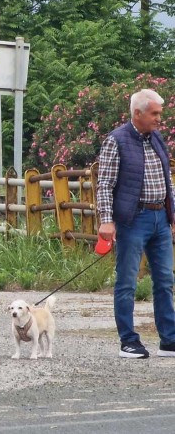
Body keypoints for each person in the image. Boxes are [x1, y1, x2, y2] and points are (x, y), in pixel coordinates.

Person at [96, 88, 175, 359]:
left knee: (165, 279)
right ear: (137, 113)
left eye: (159, 114)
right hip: (133, 219)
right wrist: (106, 221)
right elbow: (104, 184)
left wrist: (171, 215)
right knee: (127, 281)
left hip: (160, 219)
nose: (158, 119)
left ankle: (169, 340)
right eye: (154, 114)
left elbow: (167, 180)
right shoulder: (116, 140)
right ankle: (128, 341)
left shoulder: (158, 138)